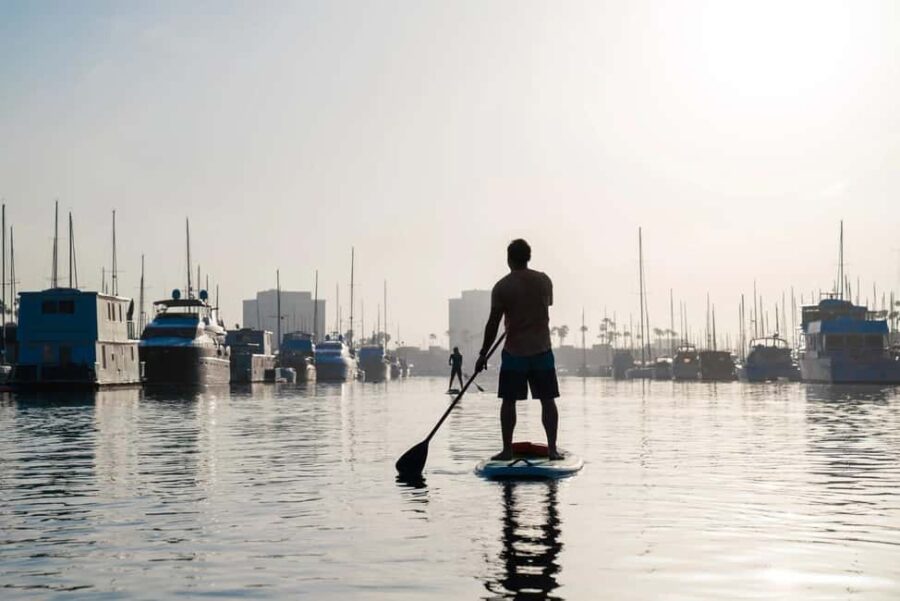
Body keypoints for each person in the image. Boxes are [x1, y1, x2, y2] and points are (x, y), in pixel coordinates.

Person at [475, 238, 561, 460]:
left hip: (515, 353)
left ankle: (507, 449)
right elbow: (546, 304)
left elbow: (493, 323)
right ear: (528, 257)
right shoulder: (544, 281)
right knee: (547, 399)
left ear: (509, 259)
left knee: (509, 401)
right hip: (541, 350)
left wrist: (483, 353)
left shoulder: (502, 287)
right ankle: (552, 449)